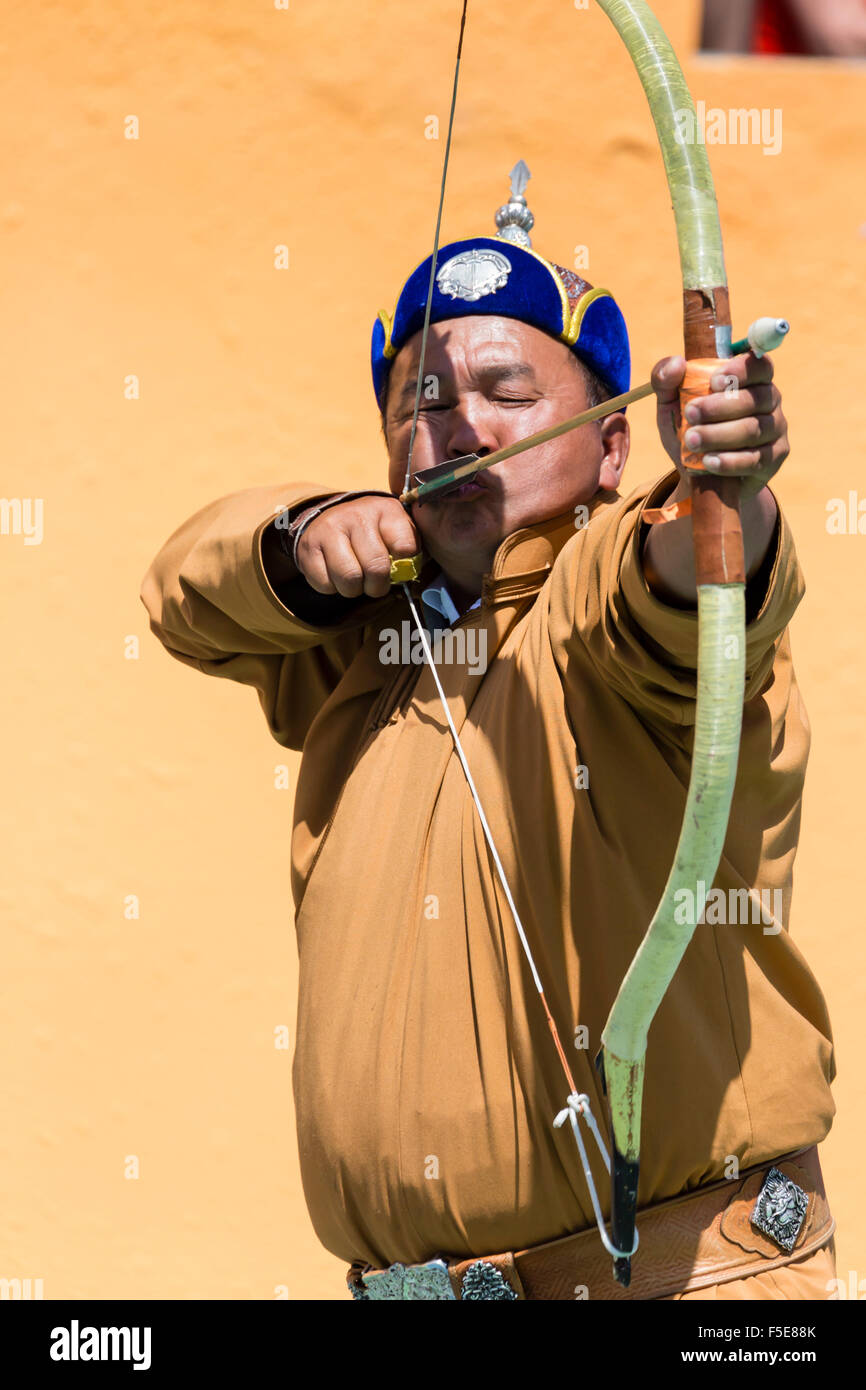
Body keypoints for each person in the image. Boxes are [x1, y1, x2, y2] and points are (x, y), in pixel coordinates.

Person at [140, 170, 836, 1300]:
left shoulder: (599, 597)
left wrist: (723, 484)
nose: (452, 421)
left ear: (610, 451)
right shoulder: (364, 644)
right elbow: (181, 592)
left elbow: (691, 580)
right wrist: (306, 534)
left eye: (506, 392)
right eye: (417, 400)